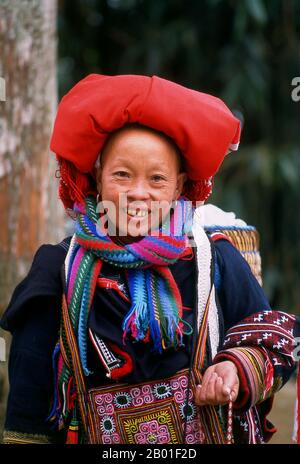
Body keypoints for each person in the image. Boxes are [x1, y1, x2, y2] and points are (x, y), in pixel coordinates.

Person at [1, 74, 299, 445]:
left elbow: (277, 341)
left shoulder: (214, 259)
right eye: (122, 175)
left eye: (157, 179)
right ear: (98, 176)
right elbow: (29, 403)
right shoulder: (57, 270)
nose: (138, 193)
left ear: (179, 184)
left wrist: (235, 368)